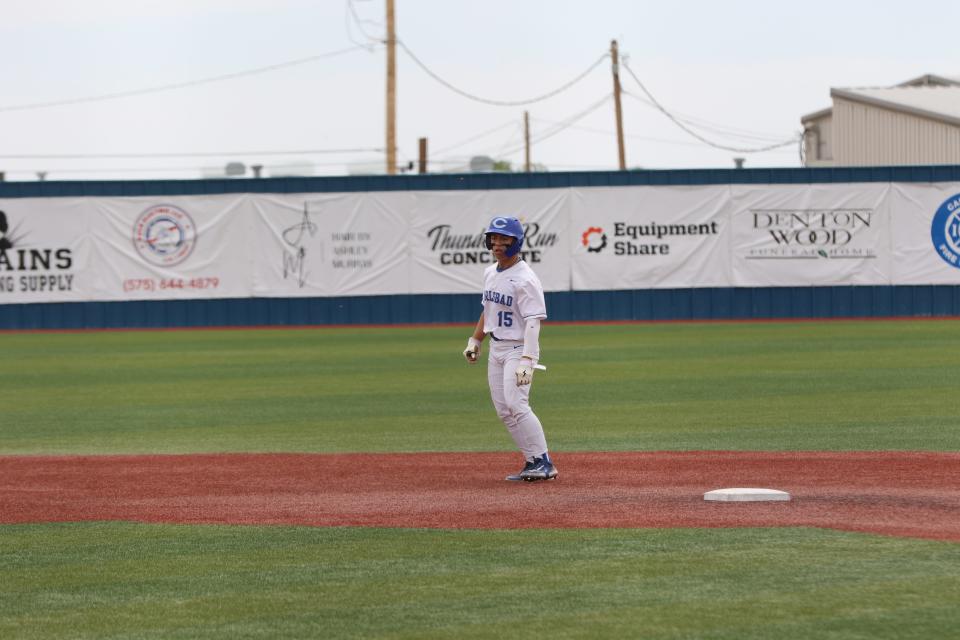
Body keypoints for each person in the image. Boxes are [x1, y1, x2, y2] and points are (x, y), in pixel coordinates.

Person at [462, 216, 557, 482]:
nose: (498, 244)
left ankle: (545, 461)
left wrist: (528, 358)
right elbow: (488, 309)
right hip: (497, 347)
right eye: (494, 238)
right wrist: (475, 340)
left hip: (518, 348)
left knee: (517, 403)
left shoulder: (525, 278)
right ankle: (532, 461)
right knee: (504, 409)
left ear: (517, 242)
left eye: (505, 239)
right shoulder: (491, 272)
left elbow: (533, 321)